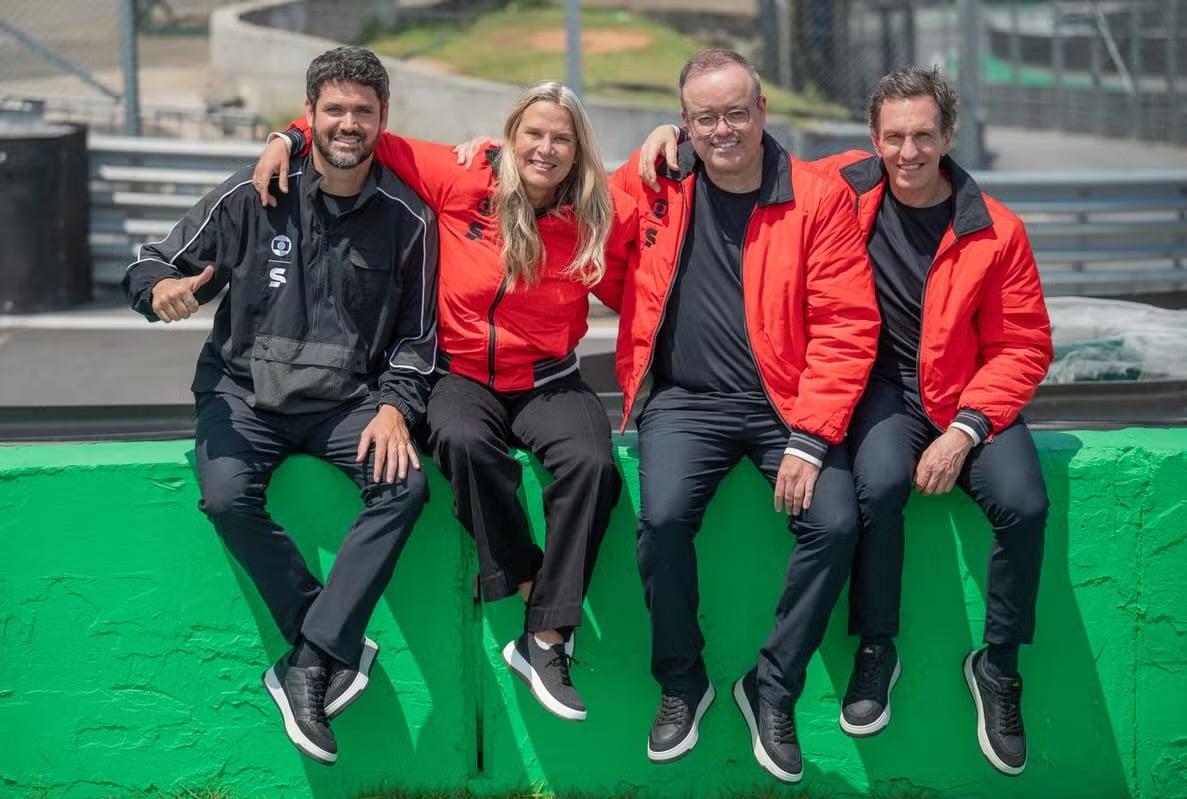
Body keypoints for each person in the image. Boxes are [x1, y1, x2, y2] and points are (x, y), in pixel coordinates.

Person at [253, 81, 639, 723]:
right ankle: (528, 583)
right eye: (534, 134)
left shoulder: (599, 211)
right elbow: (361, 129)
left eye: (561, 139)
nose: (545, 148)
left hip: (549, 377)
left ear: (578, 151)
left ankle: (544, 641)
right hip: (460, 373)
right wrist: (284, 137)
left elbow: (659, 211)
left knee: (593, 466)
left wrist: (670, 137)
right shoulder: (464, 177)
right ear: (511, 136)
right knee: (460, 441)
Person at [122, 47, 438, 765]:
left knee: (405, 485)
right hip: (243, 396)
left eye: (363, 110)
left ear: (383, 118)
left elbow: (419, 338)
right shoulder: (252, 193)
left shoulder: (407, 217)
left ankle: (308, 660)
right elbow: (152, 259)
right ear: (311, 116)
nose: (348, 123)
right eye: (334, 110)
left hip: (347, 404)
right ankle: (323, 646)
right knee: (227, 495)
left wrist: (396, 405)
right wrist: (157, 293)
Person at [613, 49, 880, 783]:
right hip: (684, 402)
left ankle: (773, 684)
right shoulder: (655, 181)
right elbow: (559, 189)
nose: (722, 129)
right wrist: (298, 135)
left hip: (785, 402)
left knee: (834, 521)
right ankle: (682, 680)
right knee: (661, 518)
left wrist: (813, 436)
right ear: (684, 122)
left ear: (763, 112)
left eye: (736, 112)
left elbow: (847, 326)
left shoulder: (816, 197)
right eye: (705, 118)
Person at [826, 67, 1051, 776]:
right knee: (879, 484)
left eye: (923, 135)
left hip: (968, 399)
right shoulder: (843, 189)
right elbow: (742, 157)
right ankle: (875, 648)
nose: (908, 151)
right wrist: (666, 136)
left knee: (1024, 501)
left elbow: (1025, 346)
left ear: (948, 136)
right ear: (873, 137)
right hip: (884, 393)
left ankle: (999, 665)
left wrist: (967, 428)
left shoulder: (996, 229)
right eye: (893, 136)